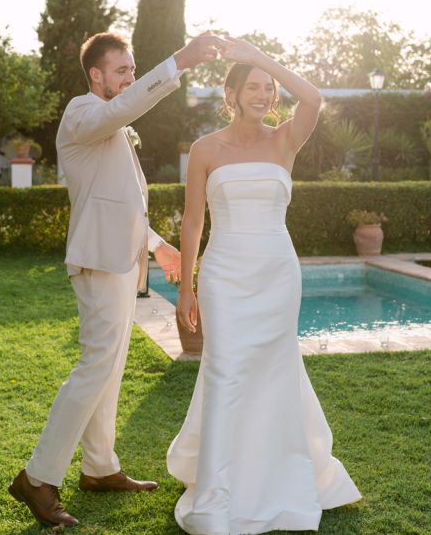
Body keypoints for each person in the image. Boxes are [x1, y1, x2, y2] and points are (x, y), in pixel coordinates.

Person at [9, 31, 224, 528]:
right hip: (99, 262)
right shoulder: (82, 113)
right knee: (94, 366)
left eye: (134, 69)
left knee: (109, 367)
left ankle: (100, 468)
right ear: (96, 76)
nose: (129, 77)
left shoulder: (110, 122)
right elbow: (121, 111)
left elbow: (119, 204)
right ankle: (37, 478)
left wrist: (158, 245)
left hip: (123, 260)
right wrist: (180, 60)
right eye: (122, 71)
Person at [167, 38, 362, 534]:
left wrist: (260, 58)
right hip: (224, 273)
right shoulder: (205, 149)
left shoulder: (285, 140)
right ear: (230, 94)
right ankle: (215, 494)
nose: (262, 94)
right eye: (252, 86)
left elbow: (314, 99)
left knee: (274, 372)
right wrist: (186, 288)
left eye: (268, 89)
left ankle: (279, 484)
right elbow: (192, 222)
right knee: (226, 371)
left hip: (276, 271)